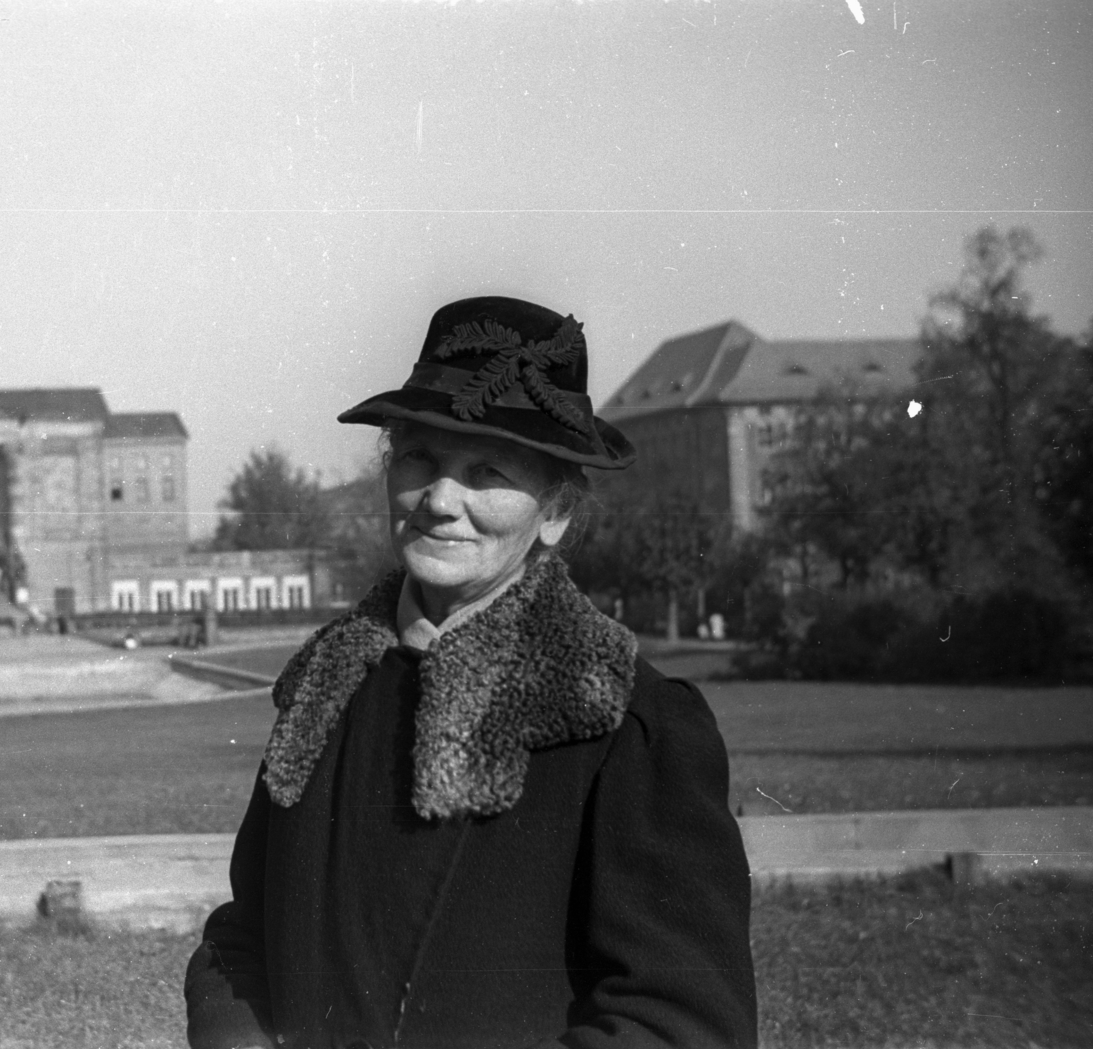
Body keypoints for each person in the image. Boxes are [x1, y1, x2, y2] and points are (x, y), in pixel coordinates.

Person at [185, 297, 757, 1049]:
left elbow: (682, 1025)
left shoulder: (624, 720)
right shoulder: (323, 685)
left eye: (486, 469)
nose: (440, 501)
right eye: (419, 457)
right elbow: (241, 935)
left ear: (554, 511)